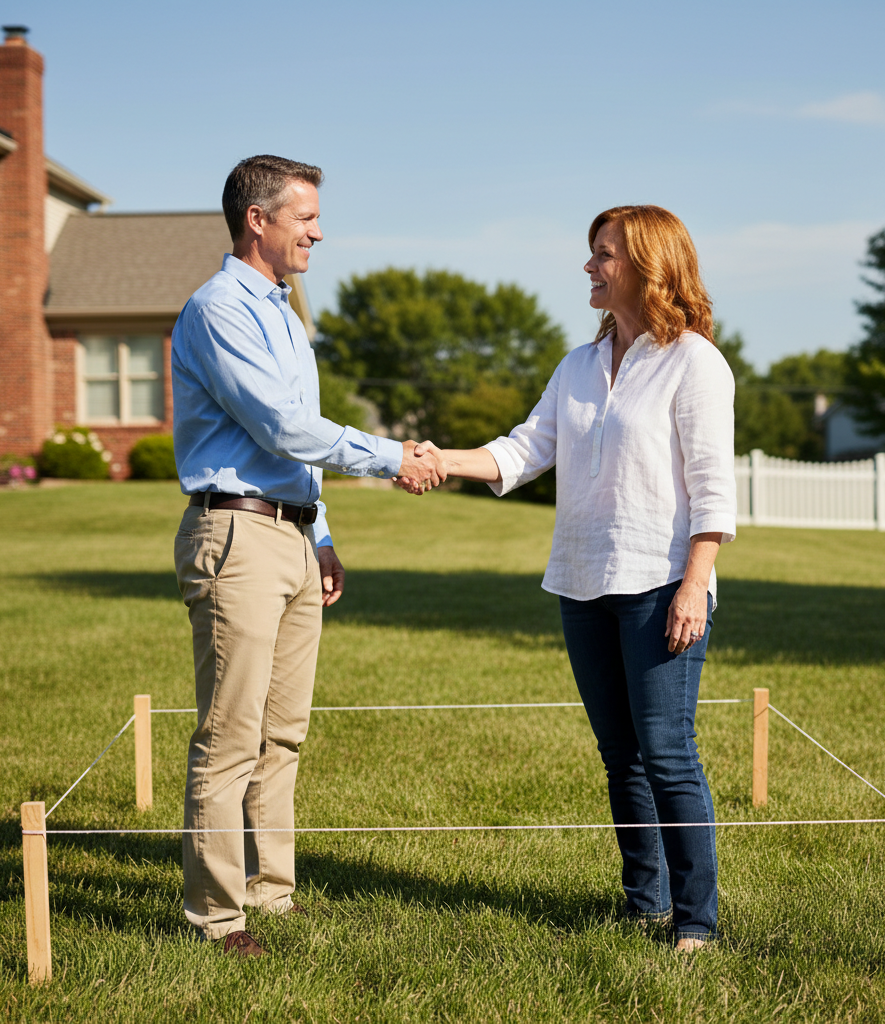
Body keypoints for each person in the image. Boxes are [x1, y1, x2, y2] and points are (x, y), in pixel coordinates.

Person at [405, 205, 737, 950]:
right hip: (583, 584)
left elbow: (714, 489)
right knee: (619, 755)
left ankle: (696, 924)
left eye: (603, 254)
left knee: (668, 750)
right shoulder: (578, 367)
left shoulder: (694, 362)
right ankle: (643, 903)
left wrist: (695, 584)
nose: (590, 267)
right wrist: (438, 459)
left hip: (660, 583)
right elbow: (524, 451)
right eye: (592, 253)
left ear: (649, 265)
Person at [171, 154, 446, 957]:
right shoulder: (220, 309)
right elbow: (283, 429)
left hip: (289, 535)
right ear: (257, 220)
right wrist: (395, 454)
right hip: (236, 536)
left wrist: (320, 535)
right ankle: (219, 917)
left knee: (283, 732)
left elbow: (300, 453)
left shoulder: (287, 315)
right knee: (229, 735)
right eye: (305, 217)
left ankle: (272, 891)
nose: (318, 231)